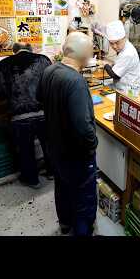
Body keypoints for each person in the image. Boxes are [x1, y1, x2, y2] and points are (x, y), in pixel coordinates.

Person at [37, 32, 98, 236]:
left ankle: (65, 224)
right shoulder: (76, 81)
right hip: (77, 154)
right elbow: (83, 127)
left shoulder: (49, 70)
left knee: (62, 188)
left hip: (56, 147)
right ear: (85, 55)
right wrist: (93, 144)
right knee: (84, 199)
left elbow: (40, 97)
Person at [0, 42, 53, 189]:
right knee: (49, 146)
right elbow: (52, 84)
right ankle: (52, 172)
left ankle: (32, 180)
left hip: (19, 118)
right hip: (44, 114)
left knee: (26, 150)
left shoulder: (2, 65)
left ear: (14, 51)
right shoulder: (44, 60)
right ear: (31, 50)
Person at [102, 20, 140, 93]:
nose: (114, 46)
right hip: (121, 87)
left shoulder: (128, 53)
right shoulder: (124, 48)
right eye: (111, 43)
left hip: (128, 91)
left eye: (117, 42)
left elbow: (115, 75)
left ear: (125, 38)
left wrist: (105, 65)